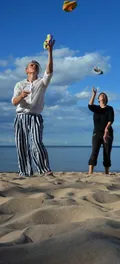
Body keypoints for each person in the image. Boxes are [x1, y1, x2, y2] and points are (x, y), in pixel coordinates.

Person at [11, 38, 55, 177]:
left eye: (36, 65)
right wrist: (22, 96)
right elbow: (14, 101)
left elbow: (49, 71)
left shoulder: (41, 82)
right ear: (26, 70)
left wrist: (50, 51)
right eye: (31, 65)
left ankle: (44, 169)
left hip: (35, 117)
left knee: (36, 142)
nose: (34, 66)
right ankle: (25, 172)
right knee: (21, 145)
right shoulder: (19, 84)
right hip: (20, 116)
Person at [88, 87, 114, 174]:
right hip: (97, 133)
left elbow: (111, 120)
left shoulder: (110, 108)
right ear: (98, 99)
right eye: (100, 95)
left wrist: (106, 130)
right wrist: (94, 94)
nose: (102, 96)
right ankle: (90, 172)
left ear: (106, 99)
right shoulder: (96, 108)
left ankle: (106, 172)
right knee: (94, 151)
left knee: (107, 153)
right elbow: (90, 105)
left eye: (104, 95)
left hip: (108, 134)